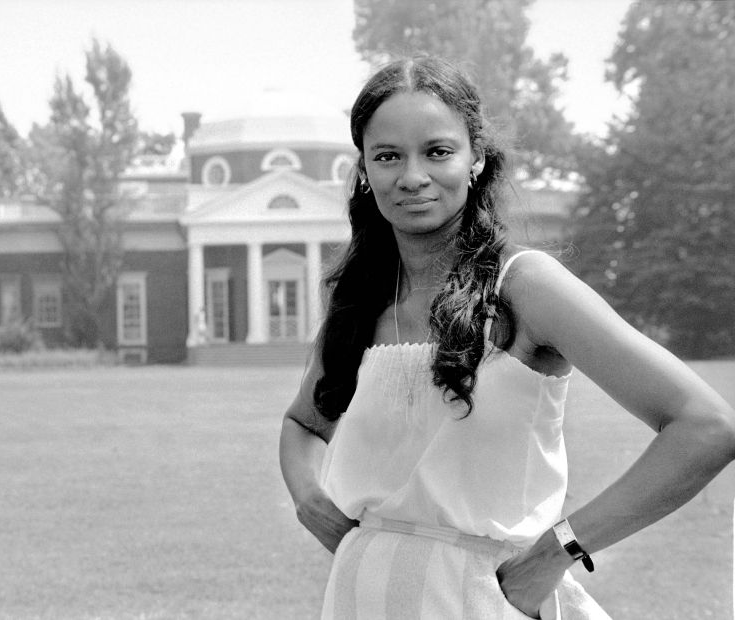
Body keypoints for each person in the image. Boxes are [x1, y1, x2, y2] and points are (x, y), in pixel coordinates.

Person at [278, 55, 735, 619]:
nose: (412, 176)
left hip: (486, 598)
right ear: (366, 172)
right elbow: (304, 422)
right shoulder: (359, 301)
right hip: (360, 595)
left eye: (437, 151)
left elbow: (706, 427)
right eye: (388, 156)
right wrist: (309, 501)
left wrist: (556, 551)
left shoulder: (526, 286)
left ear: (476, 159)